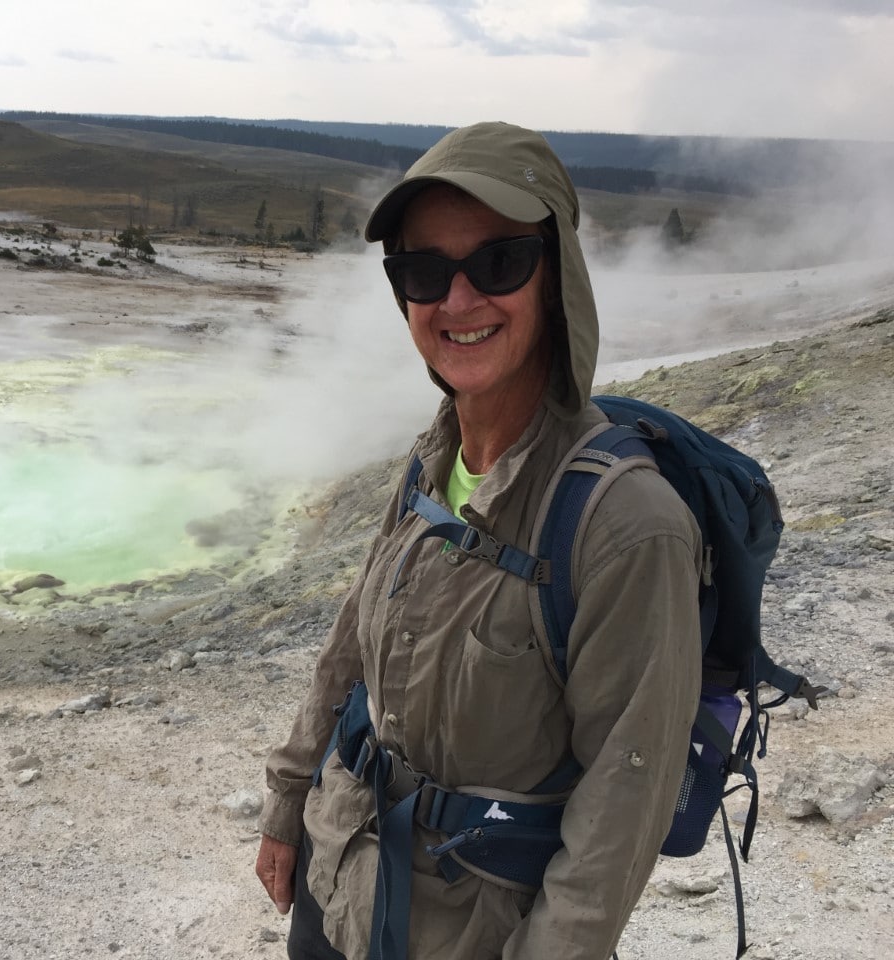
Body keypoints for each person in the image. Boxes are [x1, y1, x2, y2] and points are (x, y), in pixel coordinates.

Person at [255, 122, 702, 960]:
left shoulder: (627, 525)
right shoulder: (431, 462)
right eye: (424, 271)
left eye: (499, 263)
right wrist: (288, 806)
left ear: (556, 276)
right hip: (342, 877)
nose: (458, 302)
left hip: (467, 934)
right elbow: (349, 647)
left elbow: (622, 802)